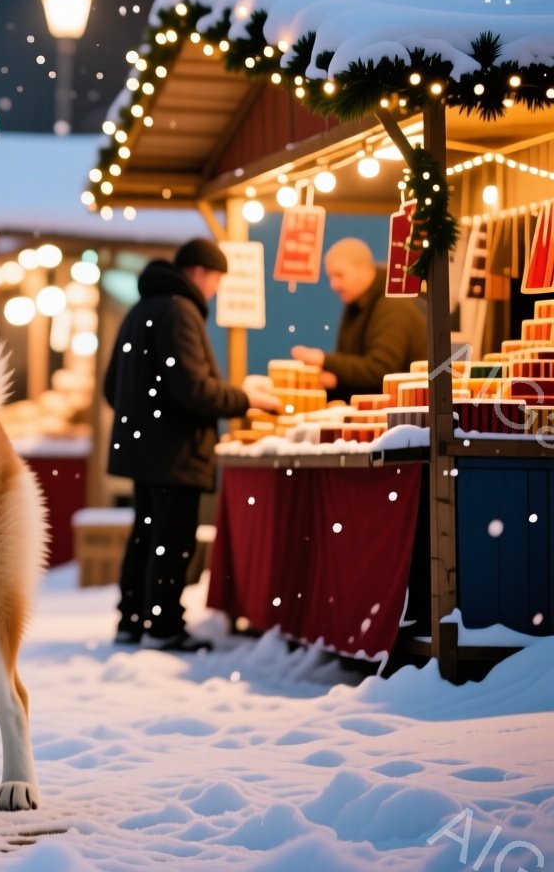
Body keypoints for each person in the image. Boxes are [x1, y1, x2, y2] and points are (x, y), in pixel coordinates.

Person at [104, 239, 281, 652]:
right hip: (175, 453)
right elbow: (191, 387)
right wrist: (245, 399)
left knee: (145, 534)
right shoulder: (178, 312)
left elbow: (113, 386)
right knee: (172, 538)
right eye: (217, 278)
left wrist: (144, 422)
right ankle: (163, 626)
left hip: (144, 450)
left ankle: (133, 619)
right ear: (199, 272)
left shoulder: (140, 309)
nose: (216, 289)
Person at [291, 237, 428, 401]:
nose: (333, 285)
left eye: (339, 275)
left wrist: (323, 359)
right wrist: (335, 381)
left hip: (402, 418)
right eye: (331, 277)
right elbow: (360, 369)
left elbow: (381, 371)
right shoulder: (357, 304)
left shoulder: (393, 305)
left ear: (363, 269)